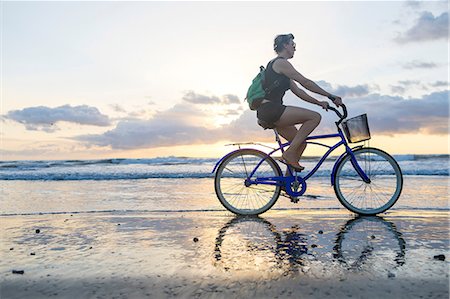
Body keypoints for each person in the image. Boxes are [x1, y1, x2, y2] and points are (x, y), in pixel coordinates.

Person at [255, 33, 343, 171]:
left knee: (300, 143)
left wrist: (319, 102)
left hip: (269, 112)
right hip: (271, 110)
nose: (294, 48)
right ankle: (289, 154)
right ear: (285, 45)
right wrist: (330, 96)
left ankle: (287, 182)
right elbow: (306, 82)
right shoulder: (281, 63)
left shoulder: (281, 70)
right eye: (293, 45)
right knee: (315, 117)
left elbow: (300, 92)